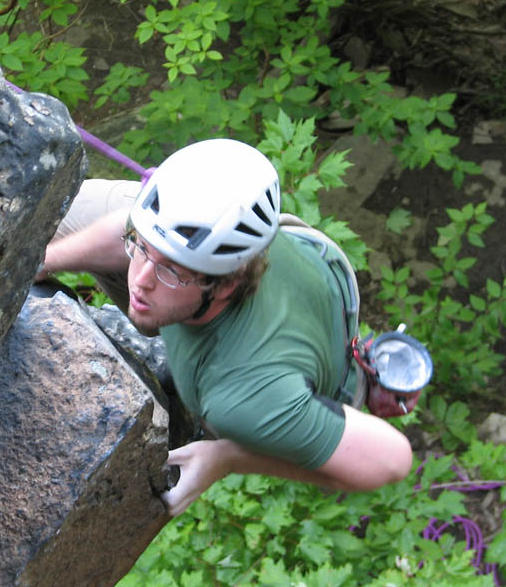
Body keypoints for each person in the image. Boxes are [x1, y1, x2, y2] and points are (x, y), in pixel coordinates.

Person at [37, 138, 413, 516]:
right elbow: (130, 231)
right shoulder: (186, 250)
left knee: (244, 409)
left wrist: (228, 457)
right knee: (60, 207)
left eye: (171, 270)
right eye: (141, 245)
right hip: (309, 262)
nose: (141, 280)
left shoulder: (240, 396)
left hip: (304, 362)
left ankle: (353, 376)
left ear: (227, 283)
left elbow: (392, 460)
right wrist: (38, 261)